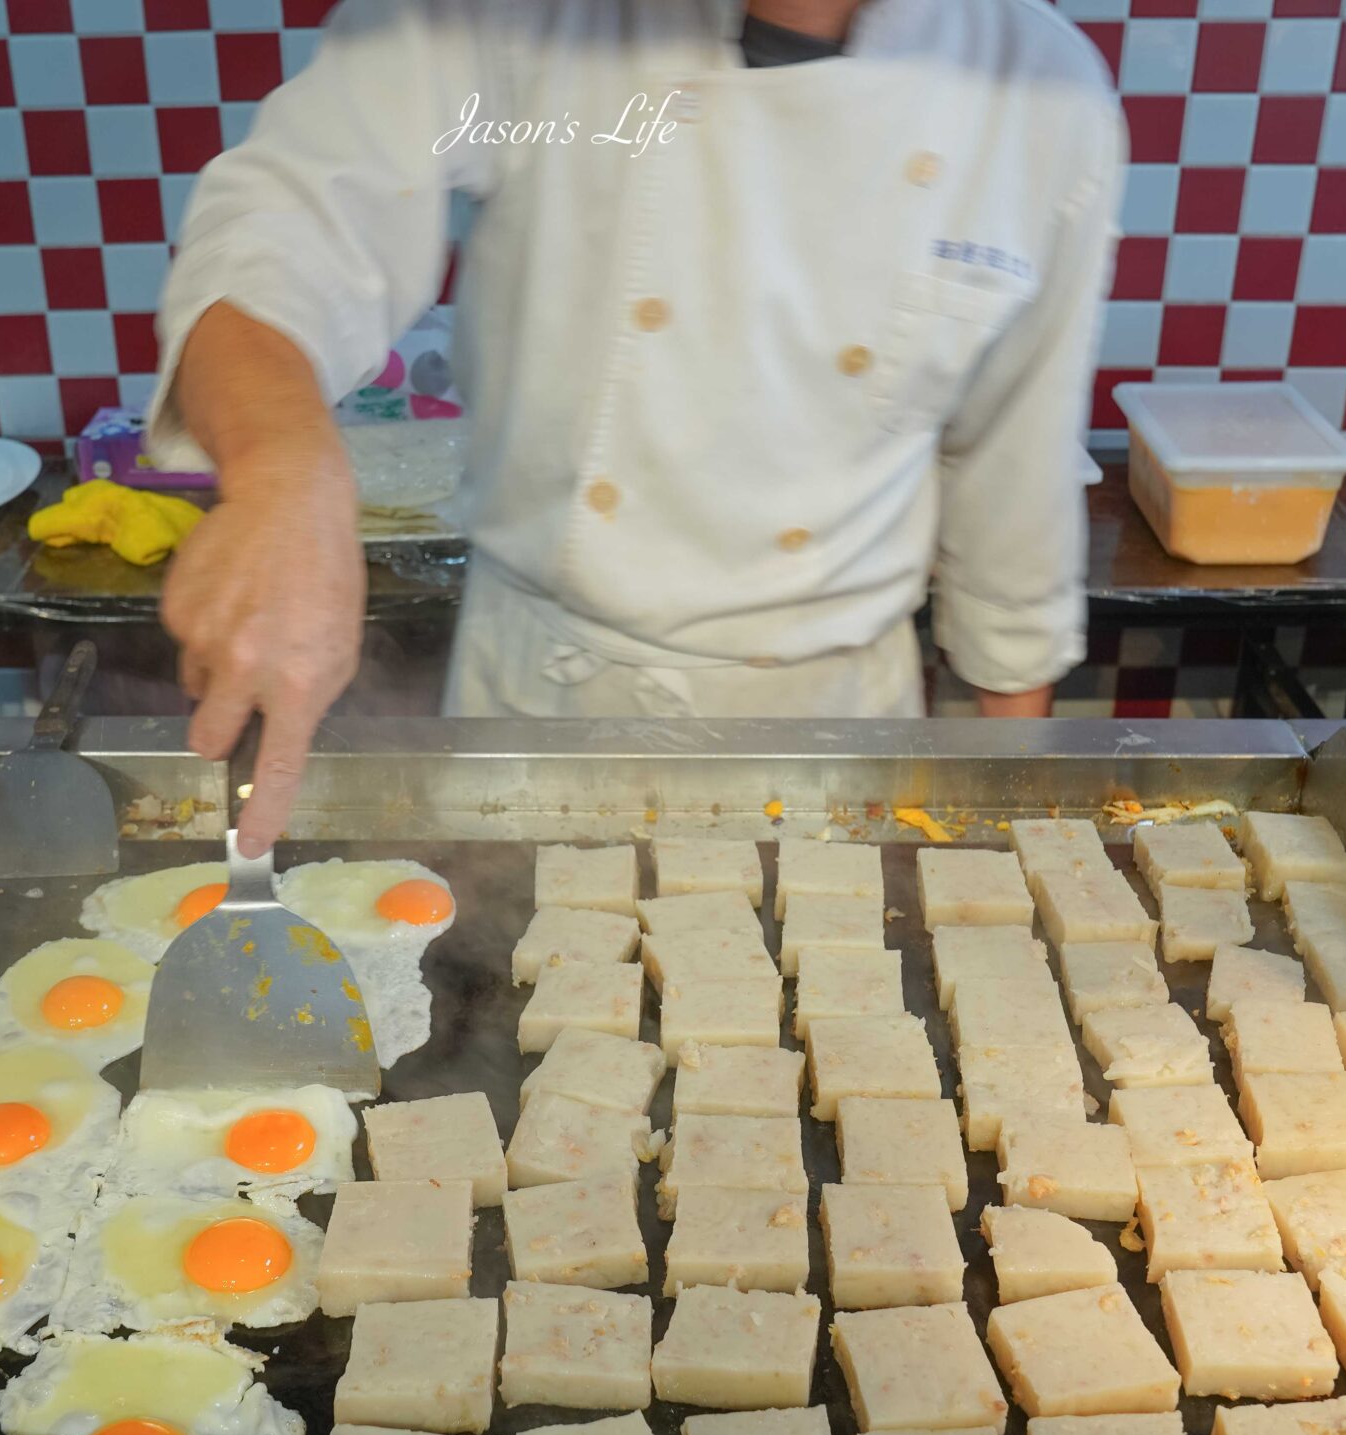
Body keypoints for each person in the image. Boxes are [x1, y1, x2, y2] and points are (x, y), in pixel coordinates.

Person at [147, 0, 1126, 851]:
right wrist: (285, 472)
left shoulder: (1044, 91)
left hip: (830, 720)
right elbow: (293, 214)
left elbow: (1013, 462)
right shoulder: (522, 25)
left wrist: (1011, 808)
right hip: (542, 701)